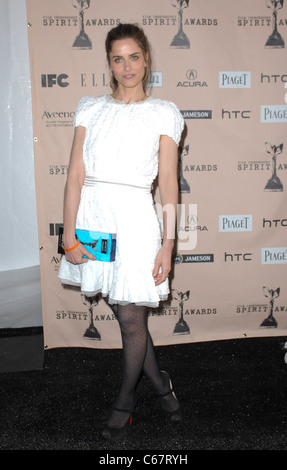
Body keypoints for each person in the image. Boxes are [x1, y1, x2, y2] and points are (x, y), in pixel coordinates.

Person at [58, 23, 184, 441]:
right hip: (94, 219)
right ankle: (162, 386)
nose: (127, 66)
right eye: (118, 58)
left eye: (134, 56)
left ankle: (125, 400)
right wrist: (68, 235)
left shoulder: (164, 112)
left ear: (146, 59)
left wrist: (168, 243)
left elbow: (168, 182)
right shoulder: (89, 108)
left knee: (132, 321)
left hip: (134, 221)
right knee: (125, 315)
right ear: (109, 63)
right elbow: (75, 175)